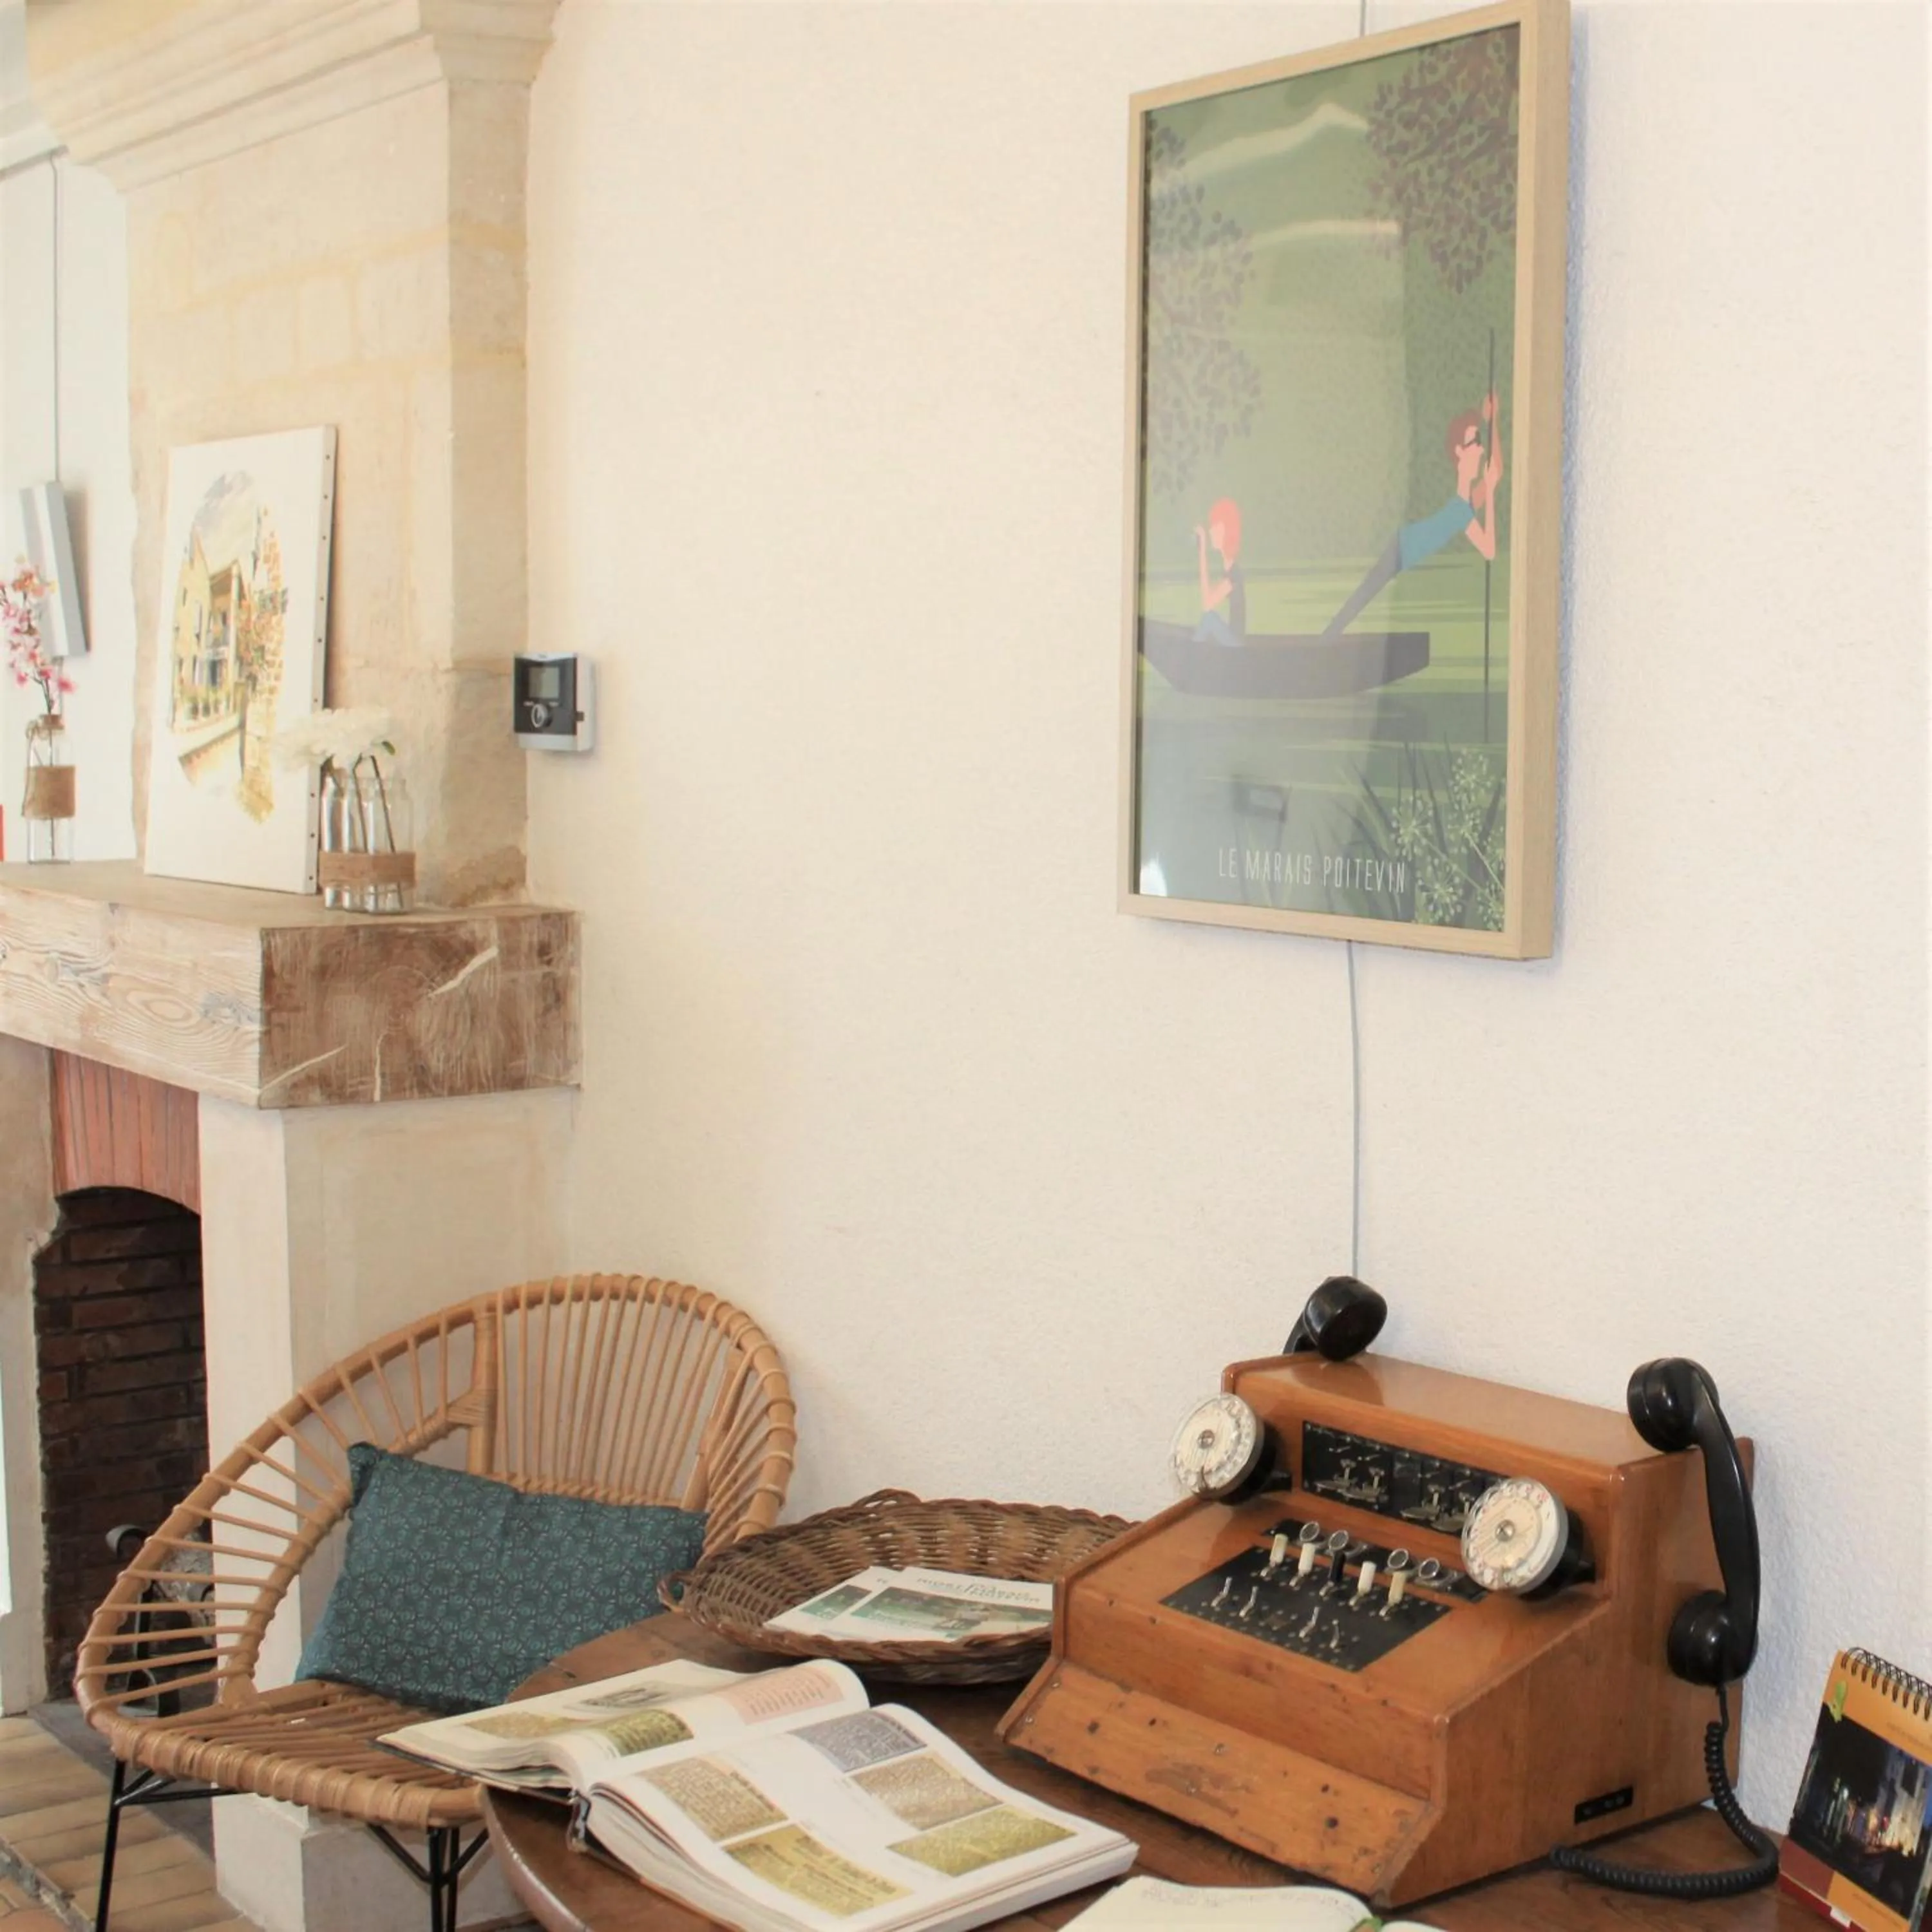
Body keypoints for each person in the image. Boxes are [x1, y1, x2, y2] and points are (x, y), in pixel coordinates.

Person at [1321, 392, 1504, 639]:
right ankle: (1329, 635)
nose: (1481, 449)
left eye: (1481, 442)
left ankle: (1330, 634)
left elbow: (1496, 471)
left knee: (1365, 593)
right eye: (1475, 443)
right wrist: (1491, 491)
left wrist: (1493, 422)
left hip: (1404, 549)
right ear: (1460, 451)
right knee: (1365, 594)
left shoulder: (1464, 506)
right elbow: (1490, 549)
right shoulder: (1462, 509)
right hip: (1402, 548)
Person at [1191, 498, 1246, 648]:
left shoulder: (1234, 574)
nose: (1210, 531)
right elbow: (1208, 597)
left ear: (1227, 532)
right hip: (1232, 638)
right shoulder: (1228, 570)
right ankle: (1195, 647)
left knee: (1210, 618)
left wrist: (1203, 551)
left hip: (1236, 643)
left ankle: (1193, 651)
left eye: (1215, 527)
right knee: (1209, 617)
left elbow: (1207, 604)